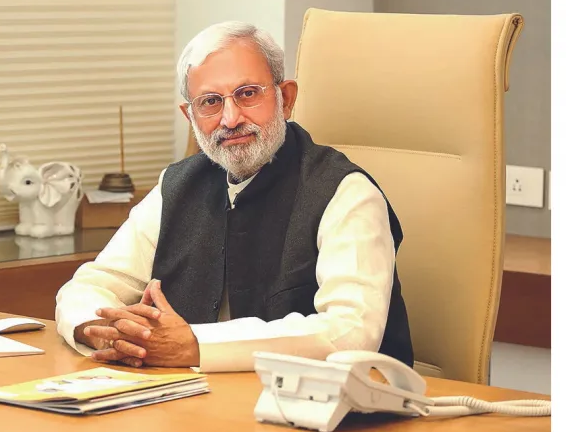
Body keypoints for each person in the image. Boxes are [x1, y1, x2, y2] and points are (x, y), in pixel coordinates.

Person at [54, 21, 413, 372]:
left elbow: (350, 333)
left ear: (285, 98)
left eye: (248, 94)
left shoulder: (345, 192)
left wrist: (194, 346)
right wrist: (104, 331)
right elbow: (91, 285)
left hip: (331, 414)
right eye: (210, 102)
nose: (230, 118)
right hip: (195, 404)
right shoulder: (177, 185)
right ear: (190, 116)